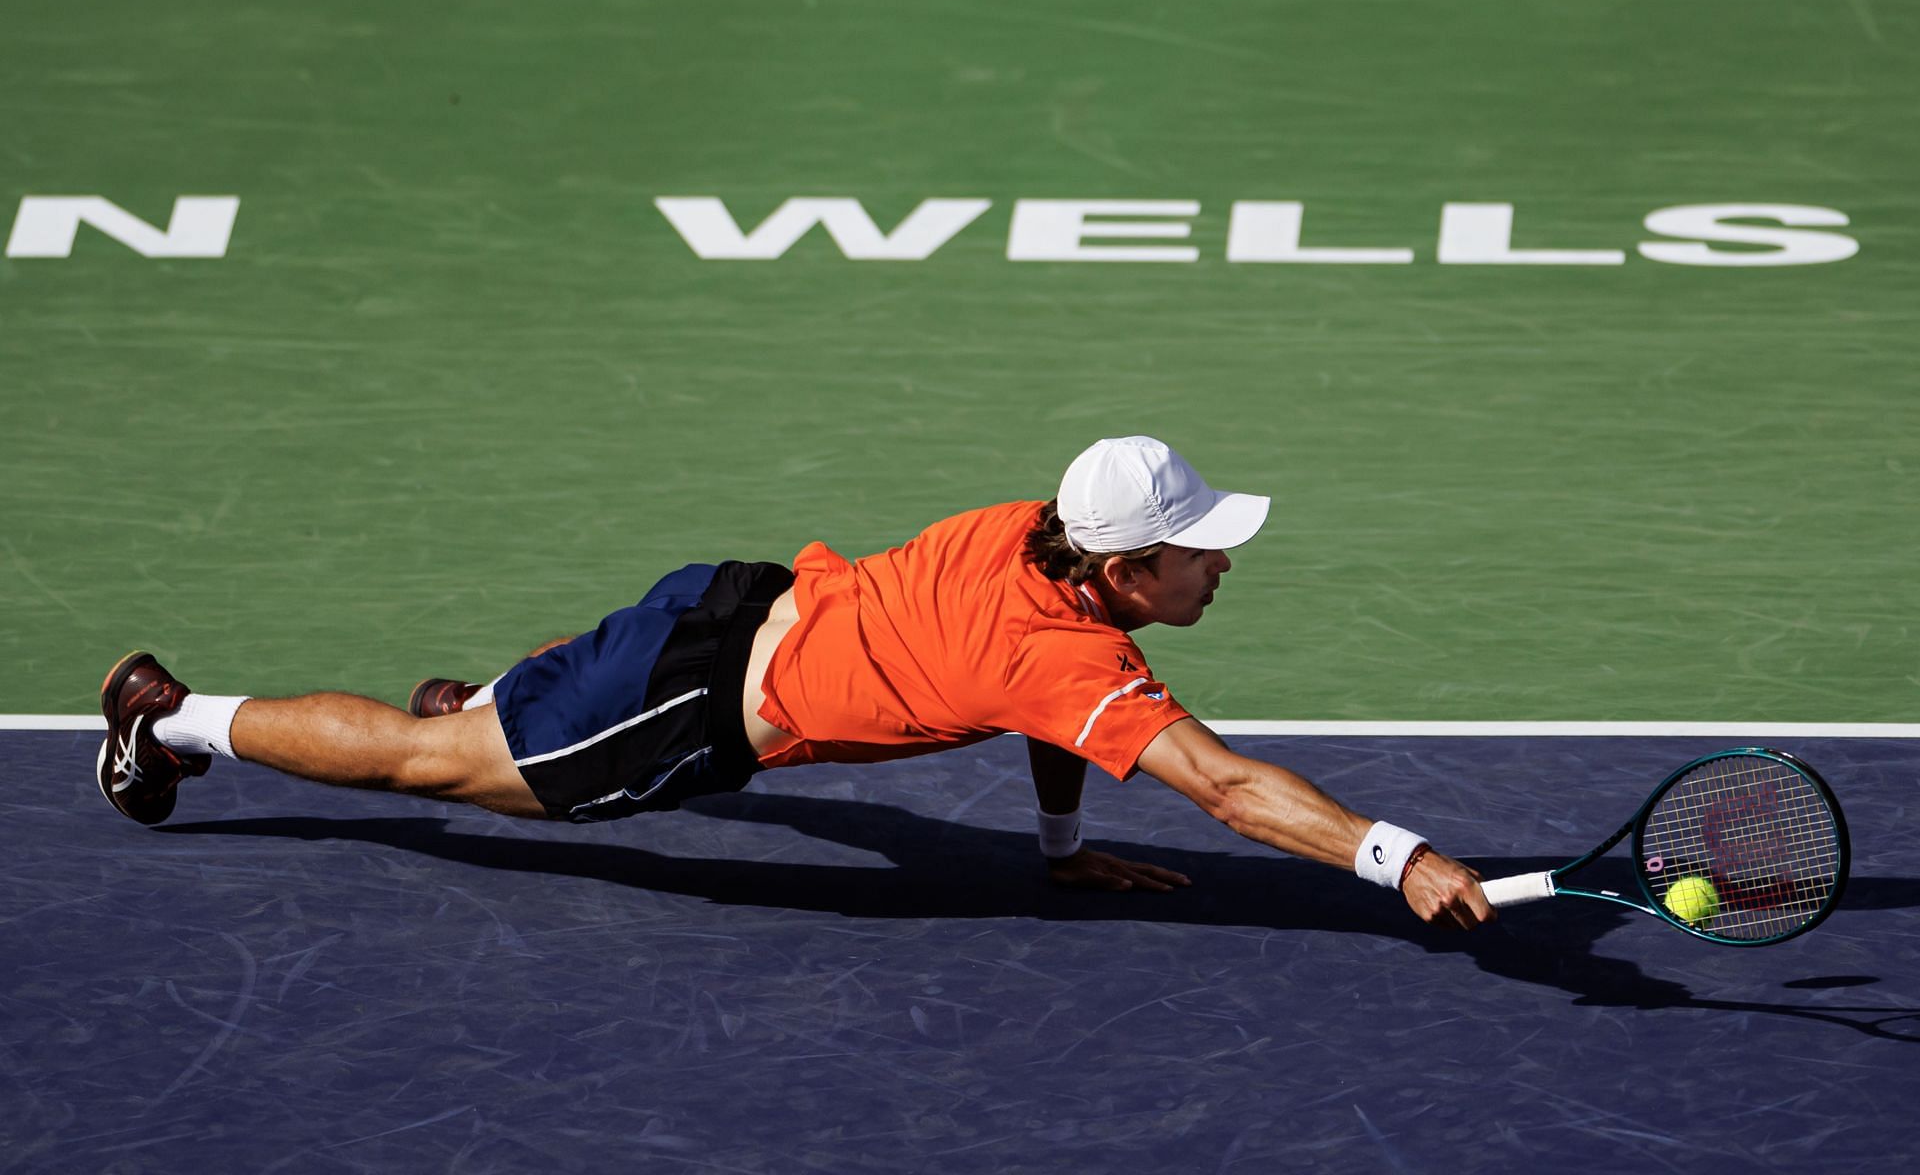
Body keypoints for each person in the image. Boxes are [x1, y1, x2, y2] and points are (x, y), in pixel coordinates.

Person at [97, 436, 1495, 930]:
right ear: (1123, 572)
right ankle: (170, 719)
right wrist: (1399, 857)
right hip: (690, 709)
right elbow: (1234, 790)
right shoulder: (1060, 654)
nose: (1221, 571)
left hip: (730, 596)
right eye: (1199, 554)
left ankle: (504, 704)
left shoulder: (1031, 531)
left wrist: (1065, 848)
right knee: (432, 771)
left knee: (510, 713)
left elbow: (1060, 711)